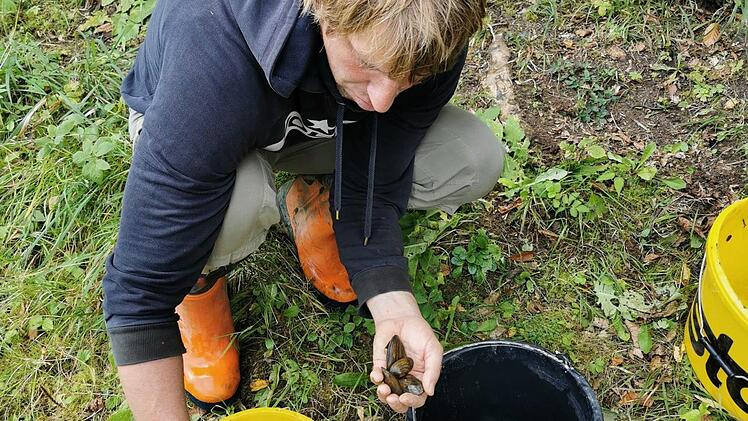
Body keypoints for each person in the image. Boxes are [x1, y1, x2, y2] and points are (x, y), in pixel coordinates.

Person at [103, 0, 503, 418]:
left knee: (471, 157)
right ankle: (196, 283)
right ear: (323, 10)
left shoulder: (431, 37)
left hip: (320, 124)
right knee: (232, 207)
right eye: (367, 61)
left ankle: (315, 200)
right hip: (207, 117)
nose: (384, 101)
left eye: (409, 78)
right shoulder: (209, 51)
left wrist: (394, 307)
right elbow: (139, 293)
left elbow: (377, 177)